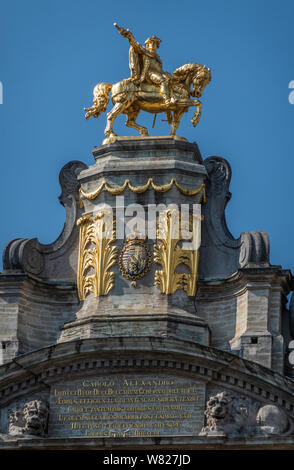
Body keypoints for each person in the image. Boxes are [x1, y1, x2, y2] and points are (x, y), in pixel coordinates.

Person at [114, 24, 175, 106]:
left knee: (171, 80)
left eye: (155, 43)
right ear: (148, 44)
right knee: (162, 80)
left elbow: (158, 69)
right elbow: (136, 45)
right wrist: (130, 37)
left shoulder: (157, 56)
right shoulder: (145, 52)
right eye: (151, 43)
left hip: (158, 73)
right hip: (149, 74)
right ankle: (167, 100)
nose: (152, 45)